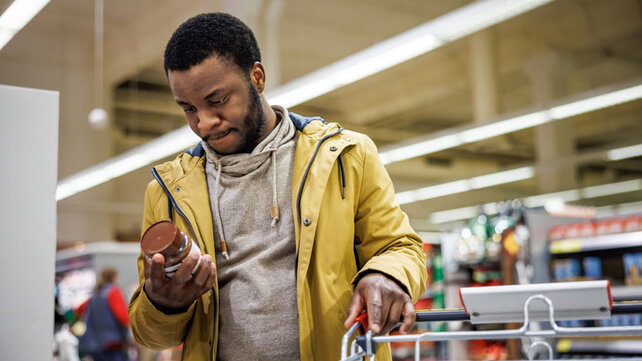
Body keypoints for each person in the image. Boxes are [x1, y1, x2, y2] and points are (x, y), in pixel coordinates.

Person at [128, 13, 427, 361]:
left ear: (257, 77)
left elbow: (402, 247)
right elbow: (151, 335)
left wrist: (386, 274)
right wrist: (163, 302)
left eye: (217, 100)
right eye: (188, 108)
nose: (204, 122)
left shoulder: (346, 157)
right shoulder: (166, 192)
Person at [77, 268, 131, 361]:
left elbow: (78, 310)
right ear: (114, 277)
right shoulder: (113, 292)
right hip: (111, 344)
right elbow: (123, 317)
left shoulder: (95, 294)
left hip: (94, 345)